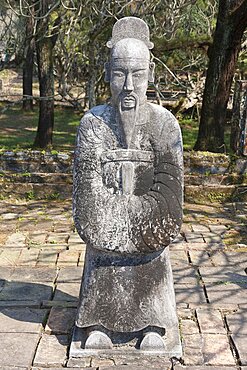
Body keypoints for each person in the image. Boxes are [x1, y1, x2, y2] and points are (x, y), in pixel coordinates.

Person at [72, 17, 183, 354]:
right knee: (102, 256)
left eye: (137, 74)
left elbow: (168, 207)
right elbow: (89, 207)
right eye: (120, 74)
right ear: (108, 74)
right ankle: (98, 322)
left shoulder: (166, 125)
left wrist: (121, 218)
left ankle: (154, 322)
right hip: (107, 242)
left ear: (149, 74)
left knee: (153, 254)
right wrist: (133, 219)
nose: (129, 85)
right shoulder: (92, 124)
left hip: (151, 243)